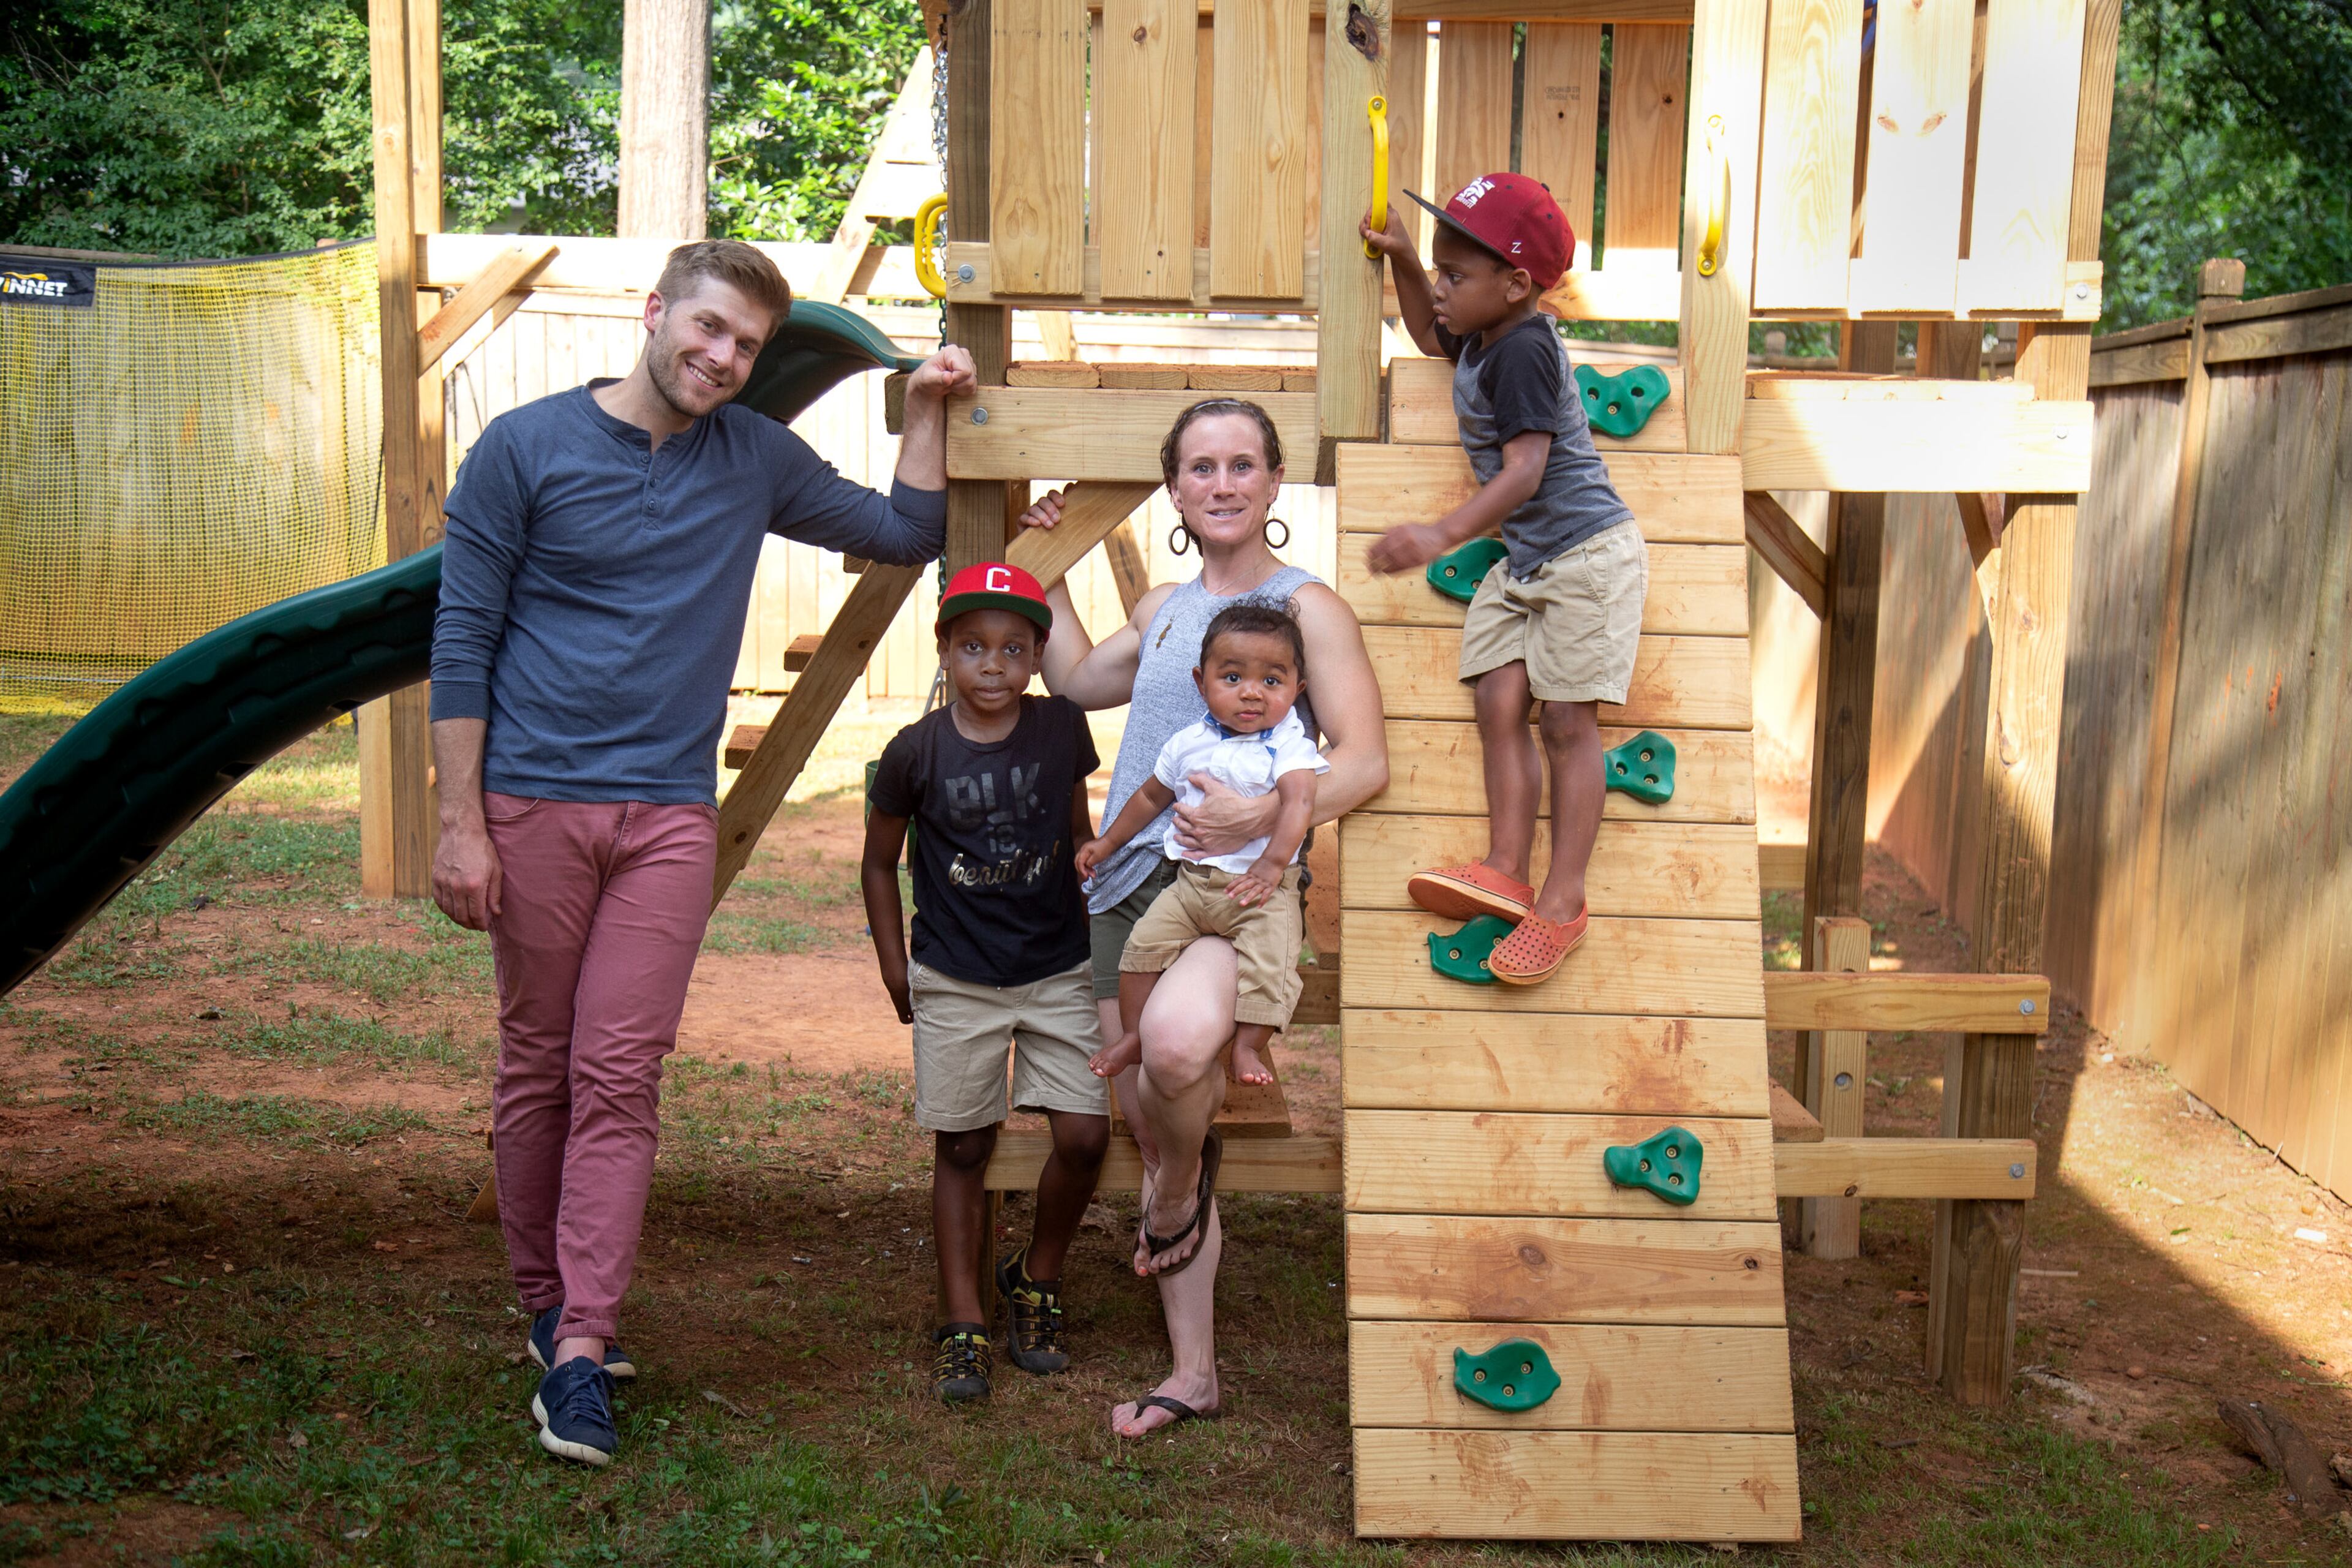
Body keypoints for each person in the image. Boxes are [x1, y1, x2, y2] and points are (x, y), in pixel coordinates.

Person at [429, 239, 981, 1466]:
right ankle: (544, 1299)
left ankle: (584, 1345)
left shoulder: (754, 460)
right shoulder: (524, 448)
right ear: (657, 314)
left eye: (745, 346)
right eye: (711, 330)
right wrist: (461, 821)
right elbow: (463, 638)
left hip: (666, 819)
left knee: (621, 1073)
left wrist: (927, 411)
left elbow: (903, 529)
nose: (724, 359)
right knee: (539, 1065)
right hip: (533, 803)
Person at [1021, 399, 1388, 1437]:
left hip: (1240, 891)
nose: (1222, 483)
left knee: (1177, 1055)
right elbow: (1077, 676)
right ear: (1175, 491)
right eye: (1200, 468)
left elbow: (1366, 758)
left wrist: (1272, 809)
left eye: (1241, 465)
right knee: (1144, 1102)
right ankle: (1194, 1370)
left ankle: (1173, 1197)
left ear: (1273, 483)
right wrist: (1047, 565)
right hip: (1127, 887)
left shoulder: (1308, 609)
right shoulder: (1169, 611)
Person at [1360, 173, 1649, 985]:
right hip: (1533, 561)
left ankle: (1562, 900)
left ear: (1516, 284)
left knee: (1565, 721)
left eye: (1458, 277)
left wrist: (1441, 532)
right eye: (1444, 276)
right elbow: (1427, 333)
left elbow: (1526, 470)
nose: (1443, 294)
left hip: (1586, 554)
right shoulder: (1486, 328)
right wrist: (1410, 265)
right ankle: (1507, 867)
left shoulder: (1523, 348)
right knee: (1497, 697)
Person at [860, 562, 1111, 1405]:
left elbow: (1079, 831)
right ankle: (960, 1321)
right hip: (957, 976)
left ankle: (1035, 1280)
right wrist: (897, 965)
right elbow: (876, 860)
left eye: (1013, 648)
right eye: (973, 647)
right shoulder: (914, 753)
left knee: (1083, 1135)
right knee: (964, 1143)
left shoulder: (1061, 730)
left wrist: (1095, 894)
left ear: (1039, 655)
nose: (993, 665)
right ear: (943, 650)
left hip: (1058, 966)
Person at [1076, 601, 1326, 1102]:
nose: (1252, 692)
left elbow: (1300, 802)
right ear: (1200, 681)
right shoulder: (1188, 742)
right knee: (1140, 949)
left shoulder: (1289, 746)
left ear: (1297, 690)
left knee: (1269, 965)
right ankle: (1132, 1035)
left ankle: (1248, 1048)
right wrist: (1106, 841)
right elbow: (1150, 797)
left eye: (1272, 682)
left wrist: (1272, 864)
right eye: (1232, 677)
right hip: (1190, 886)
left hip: (1260, 892)